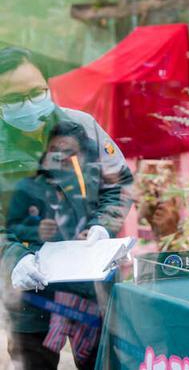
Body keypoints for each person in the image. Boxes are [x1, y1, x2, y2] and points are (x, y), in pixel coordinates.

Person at [0, 46, 133, 369]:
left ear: (48, 86)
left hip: (92, 286)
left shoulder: (82, 127)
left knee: (103, 362)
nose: (28, 104)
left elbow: (118, 184)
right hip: (29, 291)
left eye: (36, 92)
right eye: (15, 99)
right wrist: (14, 258)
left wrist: (104, 225)